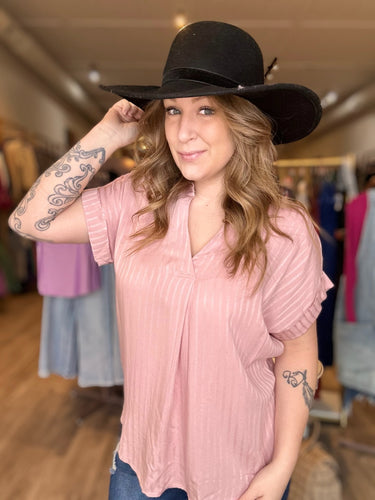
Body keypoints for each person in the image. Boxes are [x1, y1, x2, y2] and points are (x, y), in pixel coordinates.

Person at [9, 21, 331, 500]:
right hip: (141, 469)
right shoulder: (138, 201)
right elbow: (28, 220)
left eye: (206, 110)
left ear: (244, 120)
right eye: (173, 110)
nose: (183, 131)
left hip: (241, 473)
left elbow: (299, 353)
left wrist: (283, 465)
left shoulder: (284, 231)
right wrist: (106, 134)